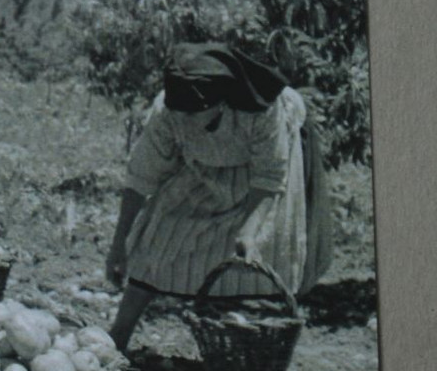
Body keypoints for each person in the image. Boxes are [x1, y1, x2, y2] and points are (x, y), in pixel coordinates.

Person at [105, 43, 332, 351]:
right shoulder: (168, 111)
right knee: (157, 239)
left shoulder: (263, 112)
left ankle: (252, 349)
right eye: (179, 114)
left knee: (263, 253)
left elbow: (269, 177)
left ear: (221, 104)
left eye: (192, 115)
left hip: (264, 174)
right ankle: (118, 337)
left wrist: (250, 231)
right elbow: (140, 177)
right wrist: (119, 244)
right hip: (203, 165)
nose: (183, 122)